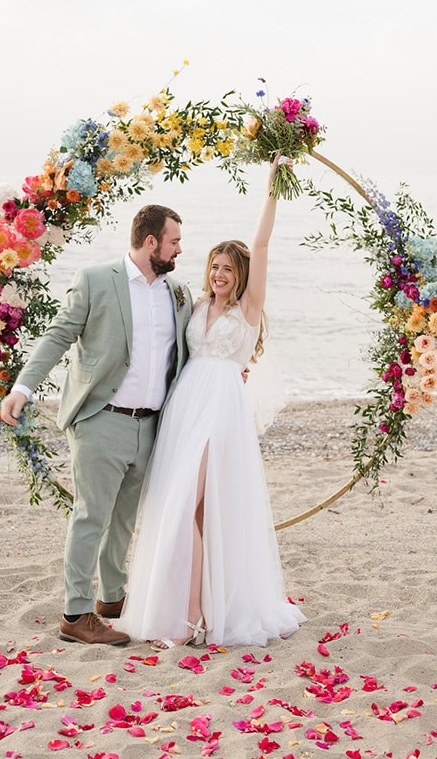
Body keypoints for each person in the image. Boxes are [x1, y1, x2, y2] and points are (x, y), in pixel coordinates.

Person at [120, 157, 306, 648]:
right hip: (184, 407)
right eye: (215, 267)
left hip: (221, 409)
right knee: (189, 509)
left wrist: (272, 187)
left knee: (190, 502)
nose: (220, 274)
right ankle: (194, 610)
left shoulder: (249, 309)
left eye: (228, 269)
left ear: (241, 274)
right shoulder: (195, 304)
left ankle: (191, 618)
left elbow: (261, 244)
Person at [0, 205, 193, 646]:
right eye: (174, 241)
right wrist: (22, 389)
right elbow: (58, 336)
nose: (180, 249)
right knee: (91, 517)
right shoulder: (96, 279)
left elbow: (187, 351)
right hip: (102, 420)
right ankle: (76, 613)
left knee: (124, 521)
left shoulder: (178, 292)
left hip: (152, 426)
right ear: (151, 242)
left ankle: (111, 599)